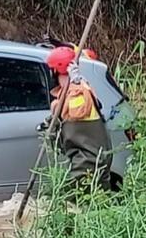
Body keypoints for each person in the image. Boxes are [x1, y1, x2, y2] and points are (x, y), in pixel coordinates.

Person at [45, 46, 111, 190]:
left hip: (89, 166)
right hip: (84, 163)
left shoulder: (78, 92)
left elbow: (77, 113)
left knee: (80, 205)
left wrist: (75, 83)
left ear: (55, 72)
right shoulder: (68, 92)